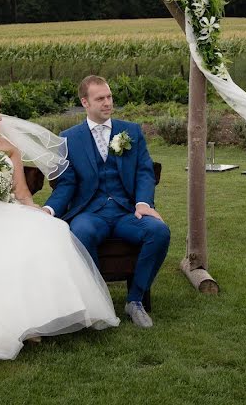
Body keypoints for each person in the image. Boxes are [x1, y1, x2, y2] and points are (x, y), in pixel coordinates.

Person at [0, 91, 119, 365]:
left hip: (4, 210)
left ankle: (41, 318)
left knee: (52, 232)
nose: (0, 118)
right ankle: (10, 323)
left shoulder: (8, 148)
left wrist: (39, 215)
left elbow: (21, 193)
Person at [44, 75, 170, 328]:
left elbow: (144, 171)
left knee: (158, 232)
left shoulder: (131, 131)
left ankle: (134, 300)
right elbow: (66, 183)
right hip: (90, 212)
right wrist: (49, 209)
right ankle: (97, 301)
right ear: (85, 102)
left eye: (109, 97)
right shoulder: (69, 138)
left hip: (126, 211)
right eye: (100, 98)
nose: (107, 103)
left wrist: (143, 203)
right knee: (80, 232)